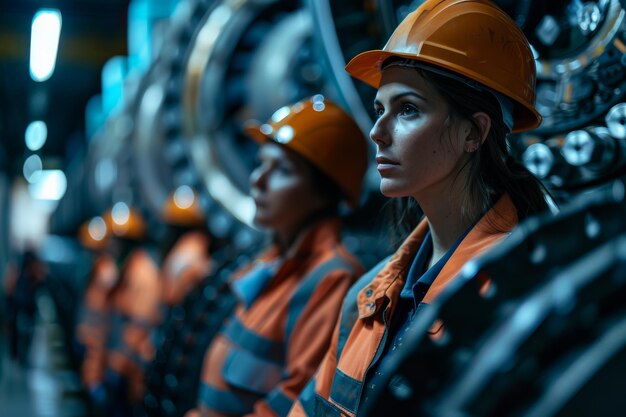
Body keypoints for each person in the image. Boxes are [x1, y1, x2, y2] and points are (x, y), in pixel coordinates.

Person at [289, 1, 551, 416]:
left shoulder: (520, 296)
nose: (377, 132)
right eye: (380, 109)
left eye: (407, 109)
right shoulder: (369, 295)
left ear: (474, 131)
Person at [185, 95, 368, 417]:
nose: (258, 180)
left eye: (281, 169)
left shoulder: (331, 277)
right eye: (261, 164)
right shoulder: (272, 266)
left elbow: (296, 399)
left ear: (323, 191)